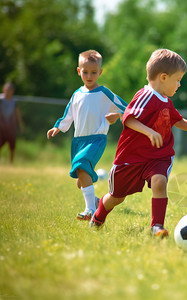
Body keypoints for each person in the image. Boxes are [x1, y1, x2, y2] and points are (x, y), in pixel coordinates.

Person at [89, 49, 187, 238]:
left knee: (159, 181)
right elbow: (129, 119)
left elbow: (177, 120)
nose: (179, 84)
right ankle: (98, 216)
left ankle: (157, 226)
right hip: (131, 158)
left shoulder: (166, 100)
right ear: (164, 77)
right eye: (178, 79)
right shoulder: (145, 95)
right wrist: (149, 131)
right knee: (116, 197)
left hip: (158, 156)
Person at [47, 50, 128, 221]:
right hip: (78, 141)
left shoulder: (104, 92)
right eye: (85, 72)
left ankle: (90, 210)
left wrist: (118, 115)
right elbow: (68, 114)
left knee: (82, 165)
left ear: (100, 72)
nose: (89, 76)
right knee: (80, 178)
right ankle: (96, 202)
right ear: (79, 71)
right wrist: (58, 127)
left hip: (96, 139)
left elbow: (126, 107)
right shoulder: (77, 94)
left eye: (93, 72)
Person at [0, 82, 24, 163]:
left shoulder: (14, 101)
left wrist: (20, 126)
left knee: (12, 146)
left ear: (12, 91)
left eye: (9, 90)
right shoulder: (1, 99)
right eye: (6, 89)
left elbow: (17, 114)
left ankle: (11, 162)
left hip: (10, 127)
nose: (7, 91)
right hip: (1, 127)